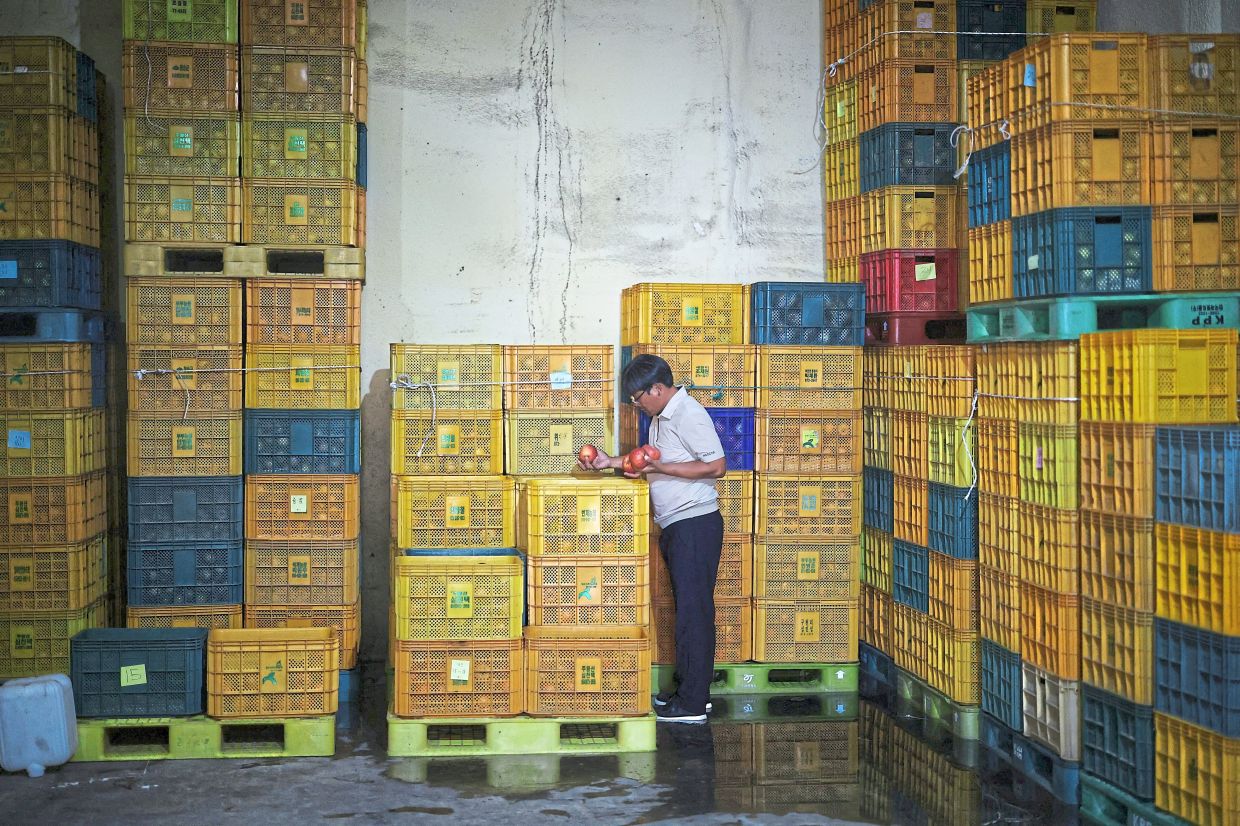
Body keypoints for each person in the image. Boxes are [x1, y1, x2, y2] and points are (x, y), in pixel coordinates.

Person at [578, 353, 726, 723]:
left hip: (695, 523)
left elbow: (716, 466)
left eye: (638, 398)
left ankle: (692, 706)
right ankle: (691, 691)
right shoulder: (663, 416)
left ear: (657, 389)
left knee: (695, 612)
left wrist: (658, 466)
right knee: (688, 610)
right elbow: (647, 462)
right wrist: (609, 462)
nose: (637, 405)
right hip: (678, 524)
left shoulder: (689, 414)